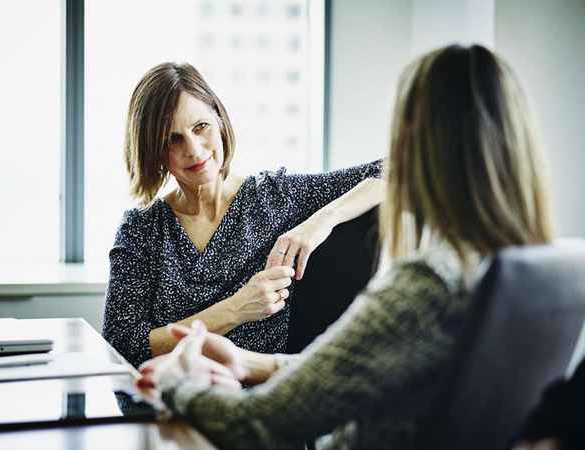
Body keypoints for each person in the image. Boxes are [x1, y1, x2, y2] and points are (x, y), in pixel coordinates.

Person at [135, 44, 554, 450]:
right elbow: (375, 366)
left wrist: (177, 383)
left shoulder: (426, 283)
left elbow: (256, 425)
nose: (192, 148)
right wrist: (253, 362)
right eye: (173, 139)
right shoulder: (536, 275)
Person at [102, 62, 384, 369]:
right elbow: (122, 344)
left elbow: (398, 167)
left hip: (261, 398)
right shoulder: (141, 228)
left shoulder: (274, 197)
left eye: (200, 127)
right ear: (153, 150)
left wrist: (321, 220)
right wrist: (236, 309)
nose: (194, 150)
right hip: (166, 399)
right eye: (173, 139)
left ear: (220, 121)